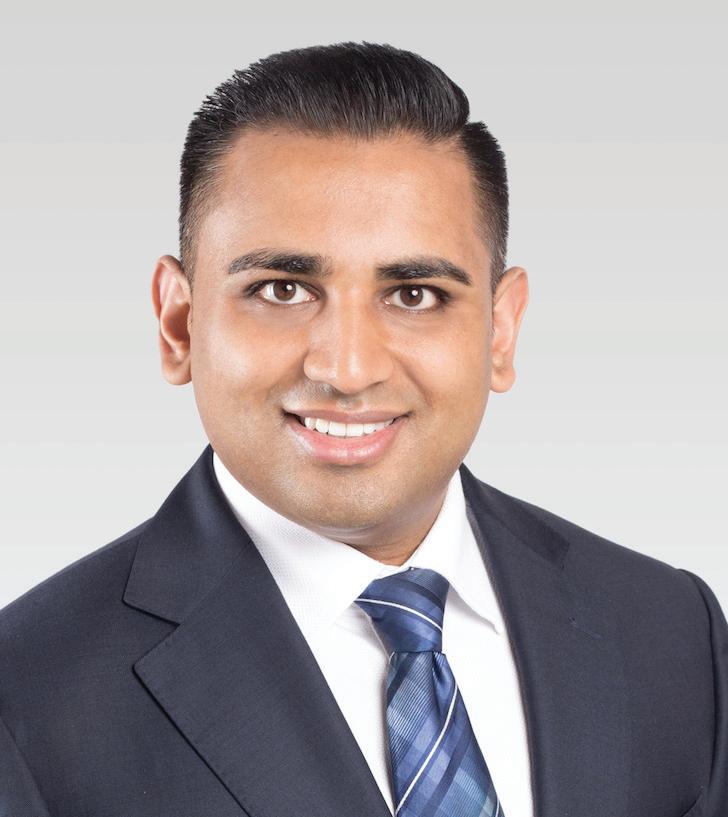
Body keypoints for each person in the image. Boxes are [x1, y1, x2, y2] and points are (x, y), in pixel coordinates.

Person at [0, 41, 725, 817]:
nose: (347, 368)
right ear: (178, 323)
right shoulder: (27, 697)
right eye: (282, 289)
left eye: (415, 294)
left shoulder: (673, 632)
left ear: (501, 331)